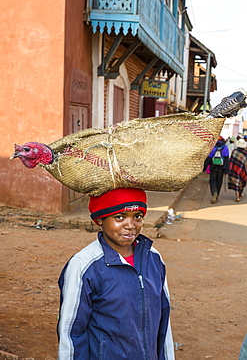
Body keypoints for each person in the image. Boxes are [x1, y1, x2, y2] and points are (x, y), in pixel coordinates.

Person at [57, 187, 175, 359]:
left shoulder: (154, 259)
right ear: (100, 220)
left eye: (137, 217)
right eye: (119, 217)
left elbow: (164, 322)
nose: (130, 225)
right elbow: (71, 332)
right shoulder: (84, 265)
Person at [203, 136, 229, 204]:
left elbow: (209, 158)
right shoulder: (225, 147)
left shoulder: (213, 147)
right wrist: (226, 170)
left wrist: (204, 167)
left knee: (212, 181)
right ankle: (217, 196)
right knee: (219, 182)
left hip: (213, 167)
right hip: (221, 168)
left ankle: (214, 192)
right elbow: (226, 159)